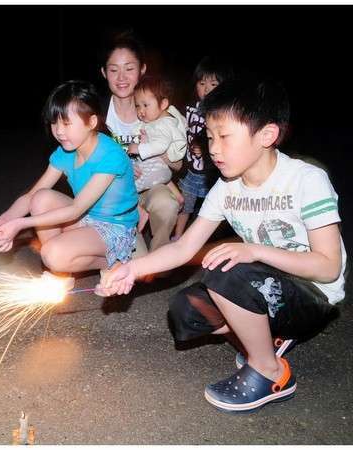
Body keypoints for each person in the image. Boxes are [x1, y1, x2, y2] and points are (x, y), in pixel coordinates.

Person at [96, 77, 347, 413]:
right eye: (211, 137)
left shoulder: (305, 180)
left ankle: (271, 373)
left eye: (225, 137)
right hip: (264, 285)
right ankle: (264, 342)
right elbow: (184, 247)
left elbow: (329, 266)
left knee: (227, 272)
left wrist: (254, 250)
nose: (214, 148)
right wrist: (130, 269)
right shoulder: (228, 187)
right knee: (185, 310)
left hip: (312, 295)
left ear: (267, 135)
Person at [0, 80, 139, 276]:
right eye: (54, 122)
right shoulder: (65, 152)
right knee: (40, 197)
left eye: (66, 123)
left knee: (52, 254)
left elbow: (75, 209)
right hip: (87, 218)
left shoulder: (110, 155)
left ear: (91, 122)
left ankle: (116, 262)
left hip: (115, 228)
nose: (59, 131)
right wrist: (6, 218)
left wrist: (20, 224)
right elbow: (31, 196)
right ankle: (61, 273)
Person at [100, 31, 182, 255]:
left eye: (129, 68)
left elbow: (177, 165)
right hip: (113, 193)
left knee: (167, 203)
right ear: (104, 73)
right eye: (114, 70)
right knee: (135, 265)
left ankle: (161, 256)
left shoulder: (158, 111)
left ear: (142, 69)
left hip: (151, 186)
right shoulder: (96, 116)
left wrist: (160, 155)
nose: (121, 77)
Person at [174, 56, 234, 239]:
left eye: (213, 84)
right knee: (185, 205)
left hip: (213, 173)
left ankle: (206, 241)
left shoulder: (225, 114)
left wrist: (205, 149)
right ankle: (177, 237)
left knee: (212, 210)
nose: (206, 89)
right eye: (201, 83)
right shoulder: (190, 108)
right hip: (191, 170)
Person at [125, 75, 187, 232]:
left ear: (163, 104)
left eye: (146, 105)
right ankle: (177, 196)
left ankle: (138, 208)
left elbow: (161, 145)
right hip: (158, 173)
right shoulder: (155, 121)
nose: (141, 111)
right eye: (138, 106)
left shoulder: (163, 124)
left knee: (125, 188)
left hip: (152, 174)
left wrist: (138, 148)